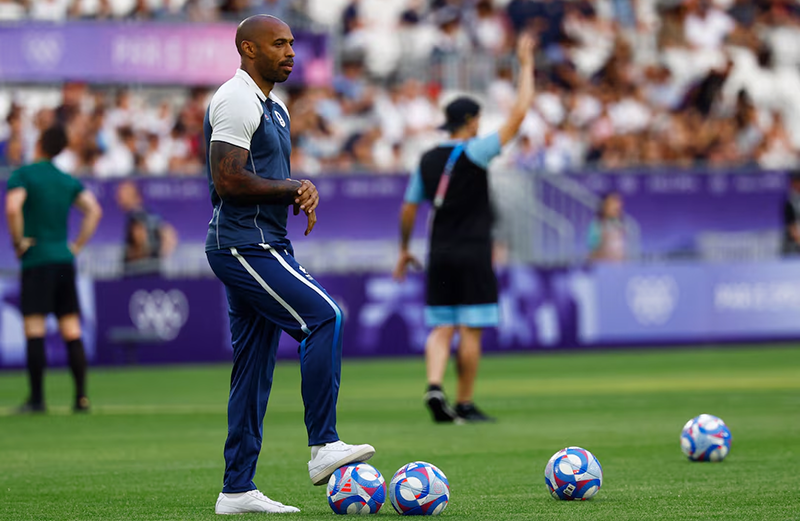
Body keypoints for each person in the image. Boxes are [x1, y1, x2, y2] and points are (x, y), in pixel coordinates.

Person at [203, 15, 375, 515]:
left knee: (252, 371)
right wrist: (294, 187)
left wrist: (290, 191)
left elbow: (256, 179)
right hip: (243, 243)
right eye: (278, 43)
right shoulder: (234, 98)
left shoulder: (273, 107)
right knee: (325, 316)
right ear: (247, 49)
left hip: (266, 240)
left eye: (292, 43)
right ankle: (324, 446)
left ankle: (236, 490)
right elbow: (227, 180)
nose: (290, 51)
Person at [393, 33, 536, 424]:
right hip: (473, 251)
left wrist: (405, 249)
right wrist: (525, 63)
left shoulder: (426, 159)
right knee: (470, 331)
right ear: (472, 122)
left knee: (441, 327)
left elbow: (409, 208)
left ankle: (434, 385)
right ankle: (466, 402)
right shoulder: (475, 150)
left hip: (437, 252)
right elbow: (520, 114)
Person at [4, 125, 103, 413]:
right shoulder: (65, 179)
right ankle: (81, 398)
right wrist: (76, 245)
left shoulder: (24, 175)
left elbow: (13, 208)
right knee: (71, 328)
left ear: (39, 144)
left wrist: (19, 241)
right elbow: (94, 210)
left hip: (36, 259)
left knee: (34, 328)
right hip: (63, 259)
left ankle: (37, 399)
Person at [115, 180, 177, 276]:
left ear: (133, 195)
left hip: (139, 273)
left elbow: (141, 241)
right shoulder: (150, 214)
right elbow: (169, 233)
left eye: (122, 194)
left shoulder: (136, 216)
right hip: (152, 269)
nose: (118, 197)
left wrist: (136, 256)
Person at [588, 191, 627, 262]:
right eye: (611, 204)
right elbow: (592, 246)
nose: (617, 206)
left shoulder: (619, 224)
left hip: (618, 263)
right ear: (603, 207)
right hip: (603, 262)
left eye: (618, 204)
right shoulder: (597, 225)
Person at [781, 172, 800, 256]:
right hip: (793, 243)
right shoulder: (789, 203)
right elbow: (791, 225)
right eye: (796, 183)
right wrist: (798, 239)